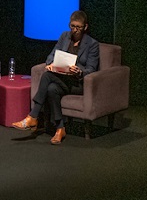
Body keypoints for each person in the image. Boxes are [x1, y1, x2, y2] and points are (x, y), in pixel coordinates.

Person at [12, 10, 100, 145]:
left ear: (85, 27)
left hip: (78, 84)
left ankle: (33, 116)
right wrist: (51, 64)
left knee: (47, 77)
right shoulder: (65, 36)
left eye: (78, 27)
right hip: (61, 79)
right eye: (72, 26)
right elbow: (51, 55)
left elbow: (91, 70)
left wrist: (79, 72)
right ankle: (60, 129)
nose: (75, 30)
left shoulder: (92, 44)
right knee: (52, 89)